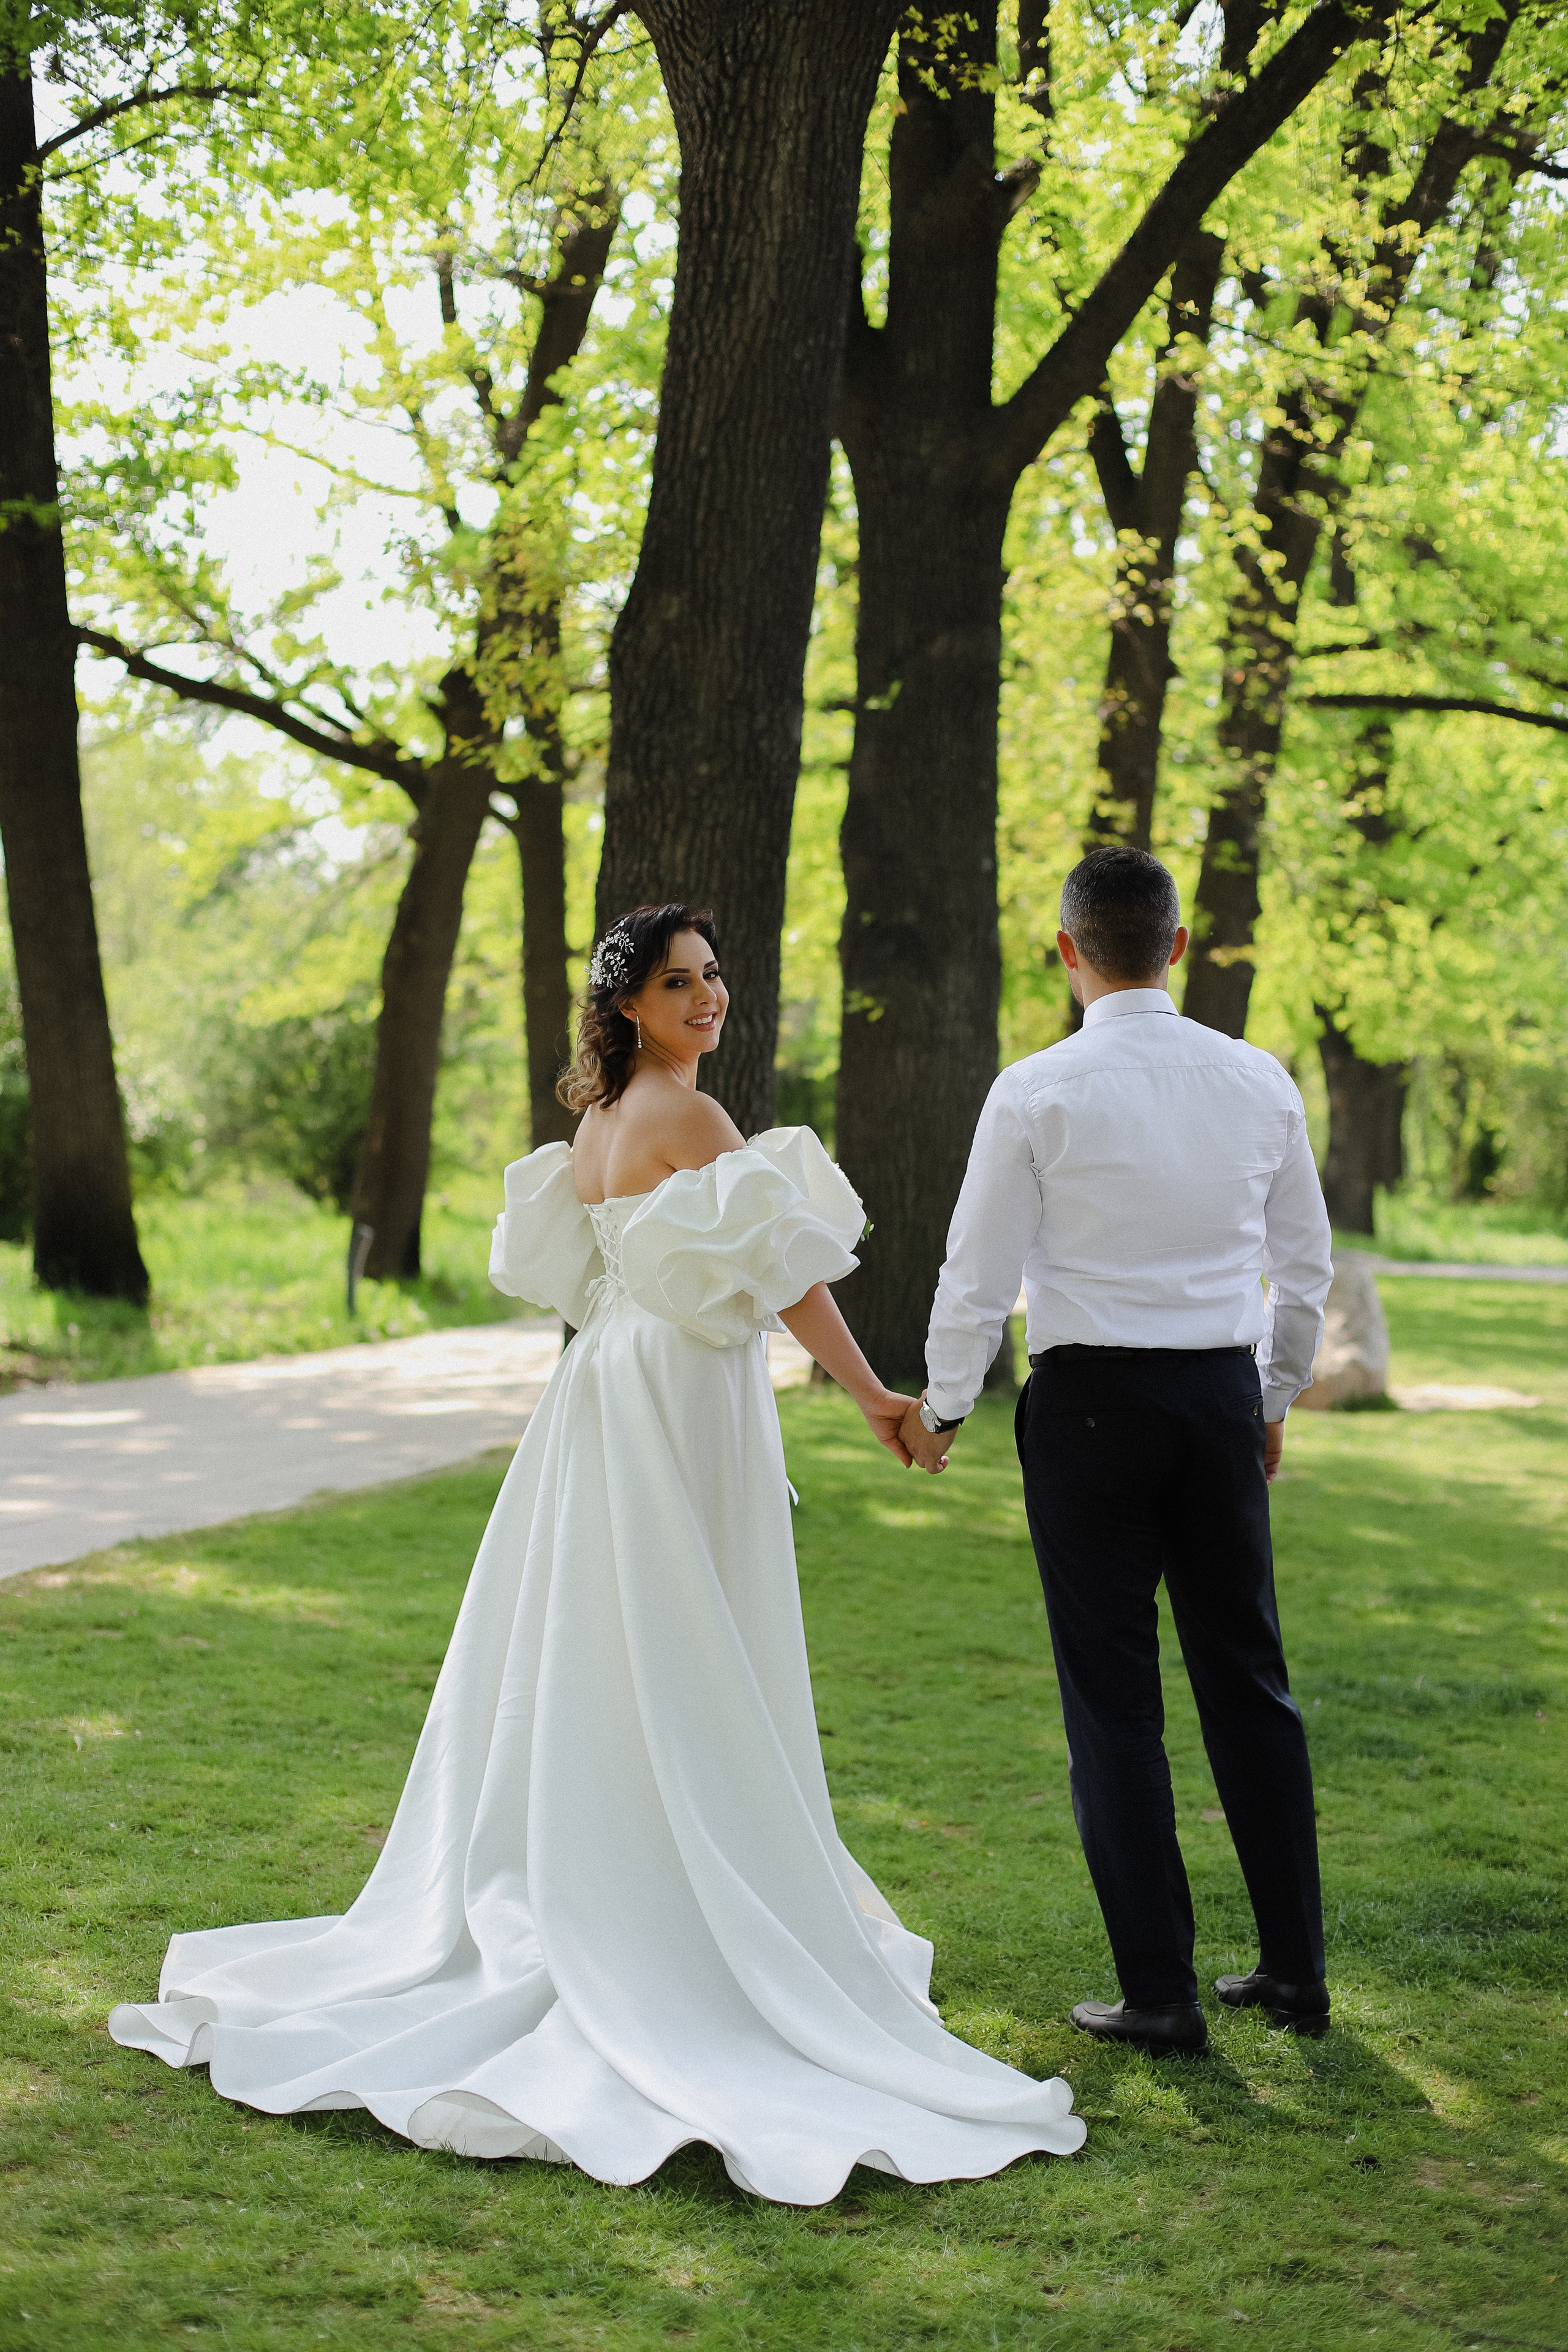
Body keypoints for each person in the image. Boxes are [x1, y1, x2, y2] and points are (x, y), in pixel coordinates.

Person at [110, 902, 1085, 2204]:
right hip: (674, 1397)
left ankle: (608, 1847)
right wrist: (872, 1399)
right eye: (680, 983)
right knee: (683, 1629)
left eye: (715, 977)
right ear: (628, 1004)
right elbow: (791, 1275)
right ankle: (672, 1893)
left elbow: (623, 1270)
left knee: (606, 1632)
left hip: (614, 1387)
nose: (708, 998)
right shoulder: (686, 1118)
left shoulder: (597, 1123)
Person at [899, 848, 1335, 2057]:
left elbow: (974, 1274)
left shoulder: (1034, 1089)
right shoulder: (1257, 1081)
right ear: (1178, 947)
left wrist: (939, 1409)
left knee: (1114, 1705)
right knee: (1248, 1681)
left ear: (1066, 953)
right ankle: (1295, 1975)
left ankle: (1161, 1994)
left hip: (1087, 1406)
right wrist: (1271, 1395)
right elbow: (1303, 1267)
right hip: (1211, 1400)